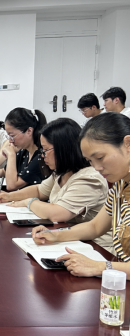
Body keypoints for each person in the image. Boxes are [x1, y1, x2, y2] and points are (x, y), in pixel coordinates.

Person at [33, 113, 130, 277]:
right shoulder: (120, 186)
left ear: (128, 144)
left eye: (100, 157)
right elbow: (95, 226)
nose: (97, 167)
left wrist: (100, 266)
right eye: (90, 161)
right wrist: (56, 235)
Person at [0, 118, 111, 250]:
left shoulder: (89, 178)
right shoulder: (62, 172)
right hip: (69, 236)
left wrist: (28, 202)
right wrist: (10, 196)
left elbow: (58, 213)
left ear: (63, 149)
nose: (43, 155)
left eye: (45, 150)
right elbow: (39, 190)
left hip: (95, 246)